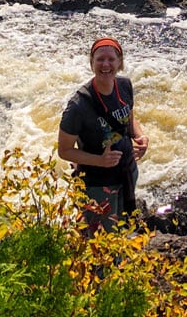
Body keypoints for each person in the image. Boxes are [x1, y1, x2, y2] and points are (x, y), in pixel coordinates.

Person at [58, 36, 149, 233]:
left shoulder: (125, 86)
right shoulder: (78, 105)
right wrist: (100, 161)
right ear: (91, 63)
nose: (105, 65)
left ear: (120, 62)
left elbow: (129, 118)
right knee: (98, 239)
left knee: (122, 229)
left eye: (111, 59)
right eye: (100, 59)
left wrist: (140, 137)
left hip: (126, 171)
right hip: (97, 183)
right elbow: (64, 151)